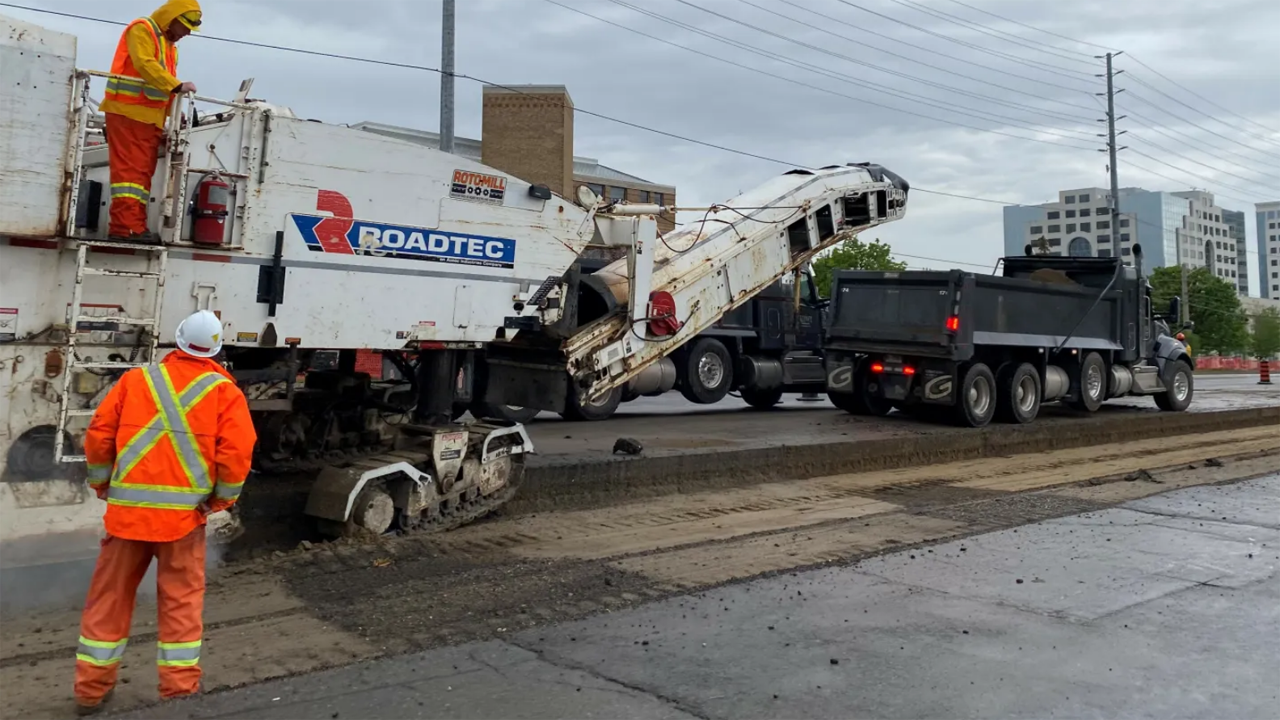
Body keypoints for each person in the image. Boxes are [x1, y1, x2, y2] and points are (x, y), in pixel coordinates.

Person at [73, 310, 256, 715]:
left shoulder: (136, 381)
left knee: (108, 601)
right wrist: (219, 502)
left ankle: (90, 692)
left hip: (126, 518)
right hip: (183, 523)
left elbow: (99, 436)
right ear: (215, 350)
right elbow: (237, 456)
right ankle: (178, 694)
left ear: (176, 341)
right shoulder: (225, 393)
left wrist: (103, 485)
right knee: (181, 605)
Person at [99, 0, 203, 243]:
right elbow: (145, 65)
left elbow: (158, 86)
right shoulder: (142, 29)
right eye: (185, 26)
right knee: (130, 175)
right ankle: (125, 229)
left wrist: (173, 111)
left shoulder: (168, 46)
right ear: (172, 18)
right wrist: (177, 87)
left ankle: (132, 226)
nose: (187, 33)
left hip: (147, 117)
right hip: (128, 112)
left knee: (141, 176)